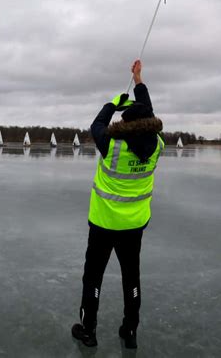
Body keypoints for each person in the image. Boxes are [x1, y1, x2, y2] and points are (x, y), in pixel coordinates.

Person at [72, 60, 164, 349]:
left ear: (125, 123)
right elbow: (146, 110)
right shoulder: (157, 145)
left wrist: (114, 102)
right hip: (134, 224)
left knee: (93, 277)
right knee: (131, 277)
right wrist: (138, 80)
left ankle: (88, 330)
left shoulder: (111, 145)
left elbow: (97, 124)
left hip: (103, 223)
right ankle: (130, 331)